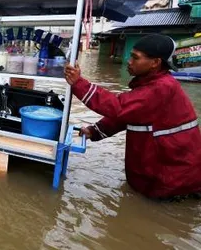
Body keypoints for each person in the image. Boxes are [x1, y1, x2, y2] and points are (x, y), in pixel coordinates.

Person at [64, 34, 201, 200]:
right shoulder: (151, 84)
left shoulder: (162, 87)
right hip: (161, 172)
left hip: (172, 179)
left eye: (135, 58)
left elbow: (118, 107)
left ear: (155, 63)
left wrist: (79, 84)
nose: (129, 61)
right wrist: (94, 131)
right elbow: (129, 115)